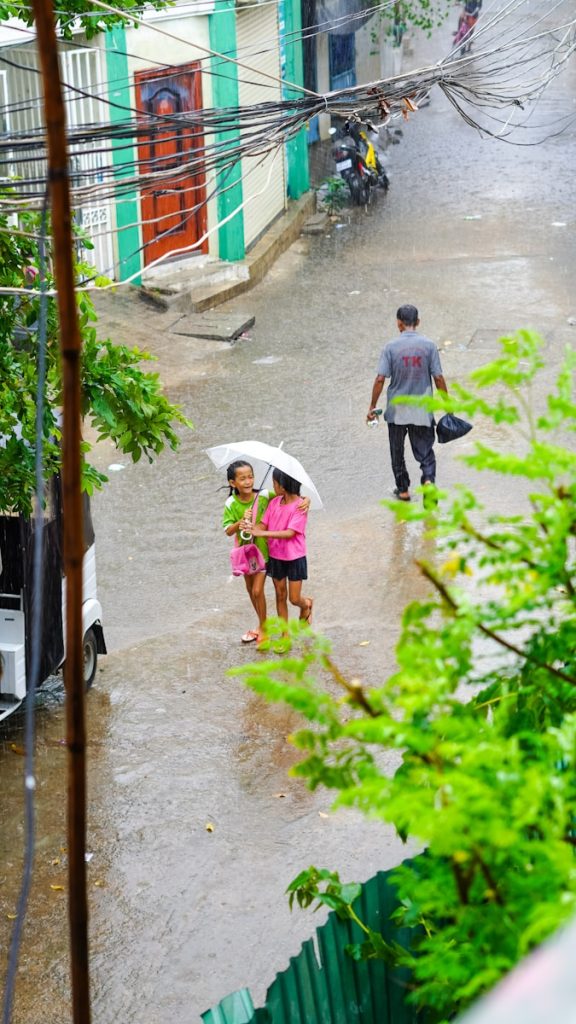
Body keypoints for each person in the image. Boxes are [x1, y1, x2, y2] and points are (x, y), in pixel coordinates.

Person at [367, 304, 448, 502]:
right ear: (418, 322)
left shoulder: (390, 347)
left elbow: (380, 379)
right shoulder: (429, 346)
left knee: (397, 450)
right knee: (425, 452)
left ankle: (403, 490)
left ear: (399, 324)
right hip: (422, 410)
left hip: (397, 410)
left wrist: (372, 406)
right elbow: (438, 378)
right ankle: (428, 481)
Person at [222, 461, 310, 644]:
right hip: (249, 553)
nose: (248, 481)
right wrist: (244, 524)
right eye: (243, 478)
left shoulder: (266, 496)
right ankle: (273, 630)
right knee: (260, 591)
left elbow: (289, 507)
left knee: (270, 593)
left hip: (268, 553)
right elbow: (231, 530)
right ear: (233, 483)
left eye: (250, 477)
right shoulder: (234, 503)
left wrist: (306, 499)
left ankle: (269, 625)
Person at [251, 468, 313, 627]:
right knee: (280, 595)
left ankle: (306, 604)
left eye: (275, 484)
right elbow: (263, 524)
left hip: (295, 557)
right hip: (276, 556)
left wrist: (262, 534)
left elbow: (290, 533)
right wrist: (251, 526)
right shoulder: (273, 503)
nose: (273, 487)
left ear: (283, 486)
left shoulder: (300, 506)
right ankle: (285, 634)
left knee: (293, 598)